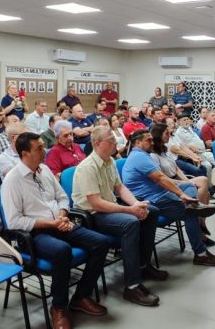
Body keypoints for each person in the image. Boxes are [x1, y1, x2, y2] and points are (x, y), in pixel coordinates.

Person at [0, 132, 110, 328]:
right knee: (62, 250)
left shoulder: (44, 169)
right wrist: (51, 223)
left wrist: (62, 215)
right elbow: (14, 222)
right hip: (33, 234)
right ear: (25, 154)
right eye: (39, 148)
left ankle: (81, 296)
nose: (45, 151)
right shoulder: (12, 180)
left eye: (44, 146)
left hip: (59, 223)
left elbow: (62, 197)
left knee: (101, 243)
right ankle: (58, 307)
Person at [72, 126, 164, 307]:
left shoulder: (110, 161)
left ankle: (143, 265)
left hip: (108, 208)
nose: (116, 143)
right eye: (111, 140)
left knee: (151, 211)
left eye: (115, 139)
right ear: (98, 143)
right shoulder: (87, 167)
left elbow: (120, 188)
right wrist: (130, 211)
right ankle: (132, 286)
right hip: (92, 216)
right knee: (130, 223)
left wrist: (135, 204)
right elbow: (96, 204)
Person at [122, 130, 215, 266]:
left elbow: (163, 178)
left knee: (189, 185)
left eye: (152, 139)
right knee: (191, 213)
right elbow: (160, 178)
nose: (152, 142)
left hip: (159, 192)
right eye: (148, 140)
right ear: (138, 143)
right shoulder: (139, 157)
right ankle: (200, 254)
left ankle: (192, 205)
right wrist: (181, 194)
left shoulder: (143, 155)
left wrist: (182, 185)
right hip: (151, 199)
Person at [150, 123, 215, 243]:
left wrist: (187, 181)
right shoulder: (153, 155)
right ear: (158, 135)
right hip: (169, 184)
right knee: (204, 190)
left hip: (177, 179)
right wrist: (187, 183)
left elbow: (176, 169)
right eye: (166, 133)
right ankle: (200, 224)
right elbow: (162, 178)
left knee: (204, 184)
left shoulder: (165, 149)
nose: (169, 136)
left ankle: (199, 217)